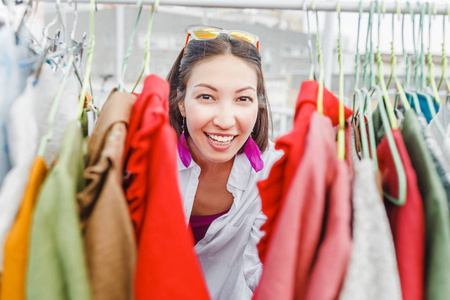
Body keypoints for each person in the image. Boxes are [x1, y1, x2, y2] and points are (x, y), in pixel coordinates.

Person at [166, 25, 283, 300]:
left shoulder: (273, 173)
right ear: (181, 102)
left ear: (258, 105)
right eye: (206, 96)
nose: (225, 120)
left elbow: (266, 276)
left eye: (243, 99)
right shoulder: (147, 162)